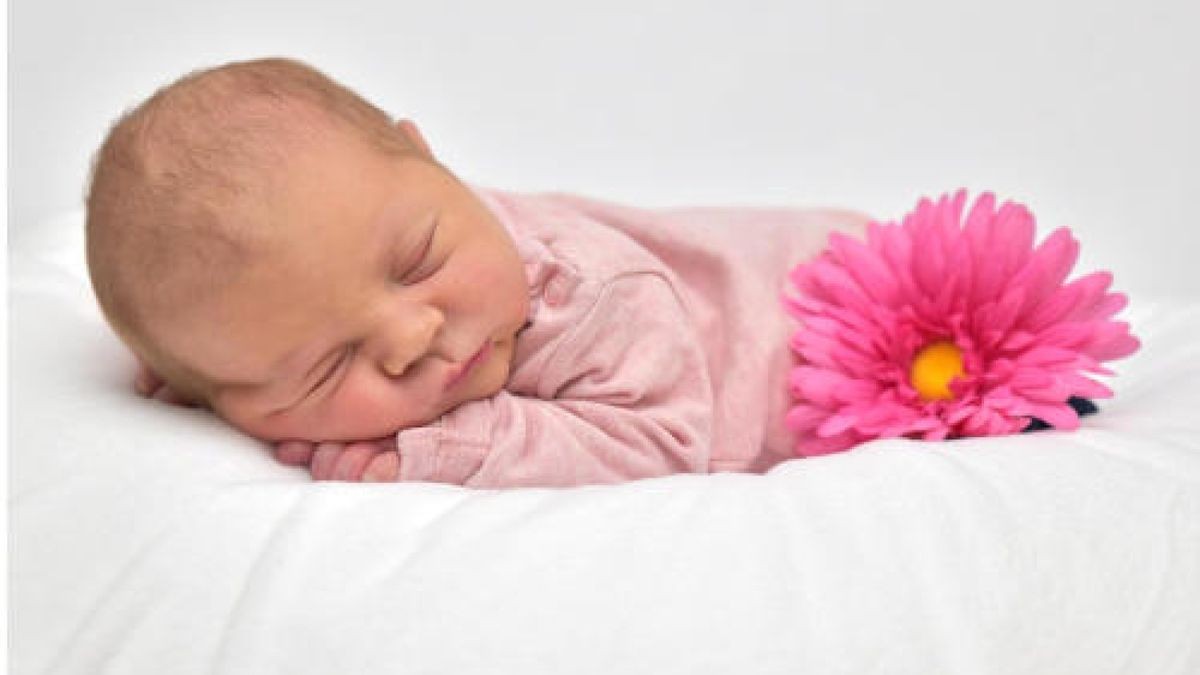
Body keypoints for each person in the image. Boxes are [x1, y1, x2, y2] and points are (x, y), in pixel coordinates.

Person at [85, 57, 870, 488]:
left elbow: (664, 442)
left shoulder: (586, 295)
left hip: (850, 318)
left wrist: (456, 444)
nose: (412, 335)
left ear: (430, 160)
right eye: (327, 365)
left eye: (417, 261)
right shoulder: (265, 327)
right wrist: (199, 376)